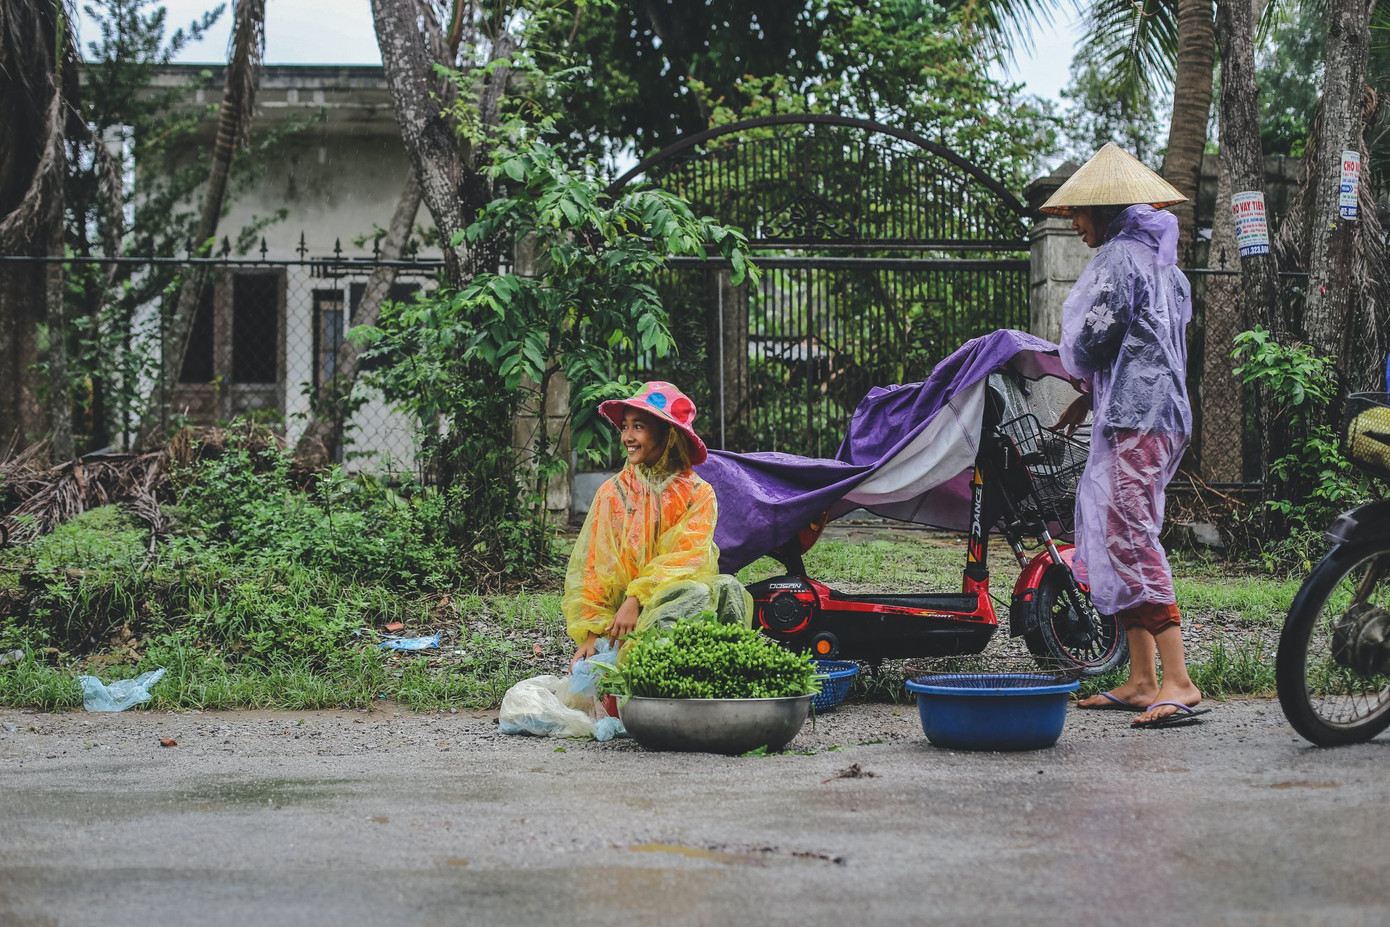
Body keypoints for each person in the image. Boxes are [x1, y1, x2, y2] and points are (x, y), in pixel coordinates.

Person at [1040, 143, 1206, 728]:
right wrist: (1089, 400)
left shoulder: (1118, 259)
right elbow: (1150, 347)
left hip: (1139, 419)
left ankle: (1178, 681)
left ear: (1105, 210)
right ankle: (1140, 680)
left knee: (1131, 535)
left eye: (1081, 214)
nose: (1076, 224)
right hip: (1150, 414)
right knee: (1119, 533)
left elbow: (1093, 340)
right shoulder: (1165, 265)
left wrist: (1079, 369)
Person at [564, 380, 752, 669]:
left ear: (669, 434)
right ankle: (646, 673)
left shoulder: (697, 494)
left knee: (727, 588)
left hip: (671, 602)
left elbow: (685, 559)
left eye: (638, 426)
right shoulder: (613, 494)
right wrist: (591, 634)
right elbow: (594, 567)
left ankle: (726, 672)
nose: (627, 436)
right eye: (625, 426)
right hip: (621, 619)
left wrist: (637, 598)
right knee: (697, 593)